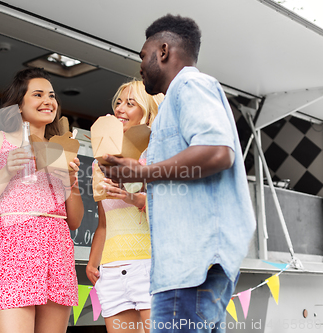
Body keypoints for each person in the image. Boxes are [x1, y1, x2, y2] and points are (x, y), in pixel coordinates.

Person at [100, 14, 256, 332]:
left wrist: (144, 171)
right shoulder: (176, 100)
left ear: (164, 51)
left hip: (192, 267)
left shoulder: (191, 84)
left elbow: (217, 151)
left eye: (143, 56)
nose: (140, 65)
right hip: (190, 267)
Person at [0, 67, 84, 333]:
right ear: (19, 106)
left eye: (52, 95)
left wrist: (71, 181)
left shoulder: (60, 149)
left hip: (57, 250)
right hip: (14, 249)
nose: (48, 101)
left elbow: (76, 220)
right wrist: (8, 169)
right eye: (38, 94)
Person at [86, 80, 162, 333]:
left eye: (130, 103)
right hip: (111, 269)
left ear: (147, 111)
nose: (120, 109)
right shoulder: (99, 164)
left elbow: (169, 212)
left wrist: (135, 198)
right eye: (118, 102)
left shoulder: (157, 156)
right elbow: (104, 223)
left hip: (150, 265)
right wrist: (92, 262)